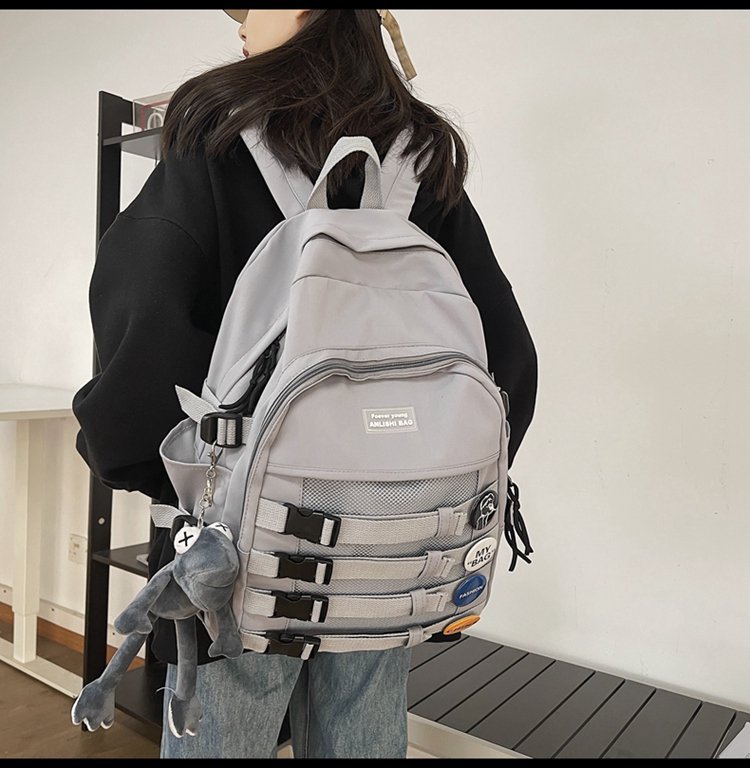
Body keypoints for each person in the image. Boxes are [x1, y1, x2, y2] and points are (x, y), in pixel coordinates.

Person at [72, 8, 538, 759]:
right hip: (392, 541)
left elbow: (144, 320)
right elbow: (505, 355)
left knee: (223, 730)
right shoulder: (421, 154)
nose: (241, 25)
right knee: (362, 729)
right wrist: (426, 482)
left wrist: (146, 463)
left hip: (244, 542)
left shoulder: (218, 127)